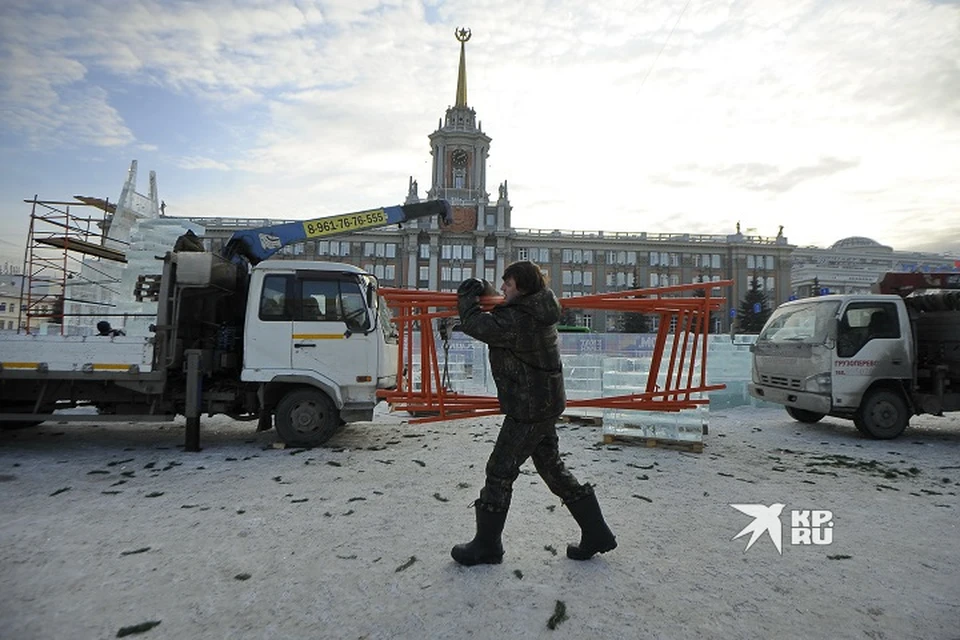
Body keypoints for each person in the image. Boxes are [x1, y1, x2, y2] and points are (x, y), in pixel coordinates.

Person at [452, 260, 616, 566]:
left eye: (508, 284)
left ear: (523, 288)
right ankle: (596, 533)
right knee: (552, 467)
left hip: (529, 407)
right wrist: (486, 292)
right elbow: (501, 311)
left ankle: (487, 546)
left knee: (499, 470)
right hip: (541, 403)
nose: (502, 288)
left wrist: (466, 298)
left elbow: (478, 325)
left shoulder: (520, 319)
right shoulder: (538, 308)